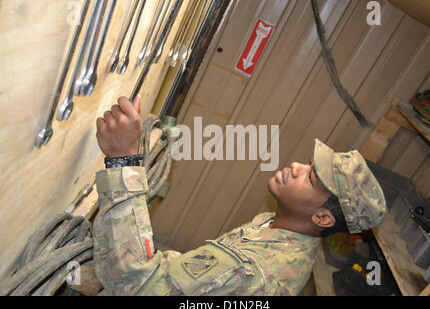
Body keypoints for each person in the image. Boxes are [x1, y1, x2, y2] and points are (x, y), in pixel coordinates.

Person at [93, 95, 387, 296]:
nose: (296, 166)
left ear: (322, 217)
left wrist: (123, 160)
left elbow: (137, 285)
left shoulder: (258, 274)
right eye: (309, 164)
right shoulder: (275, 226)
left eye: (310, 177)